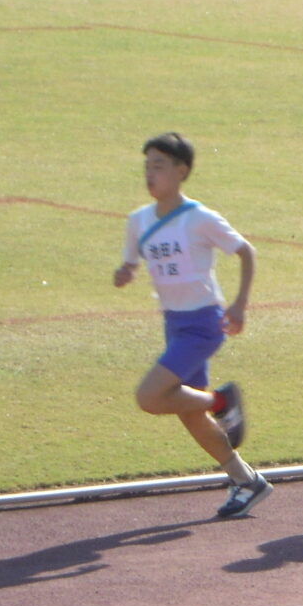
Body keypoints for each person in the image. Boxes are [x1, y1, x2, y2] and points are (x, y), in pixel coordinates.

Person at [113, 133, 270, 519]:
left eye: (159, 166)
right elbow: (132, 261)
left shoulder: (199, 218)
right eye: (147, 165)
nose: (150, 173)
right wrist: (125, 271)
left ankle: (221, 401)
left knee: (149, 397)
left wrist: (239, 304)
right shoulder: (139, 221)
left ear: (181, 172)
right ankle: (246, 480)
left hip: (204, 324)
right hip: (174, 324)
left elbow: (245, 251)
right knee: (187, 411)